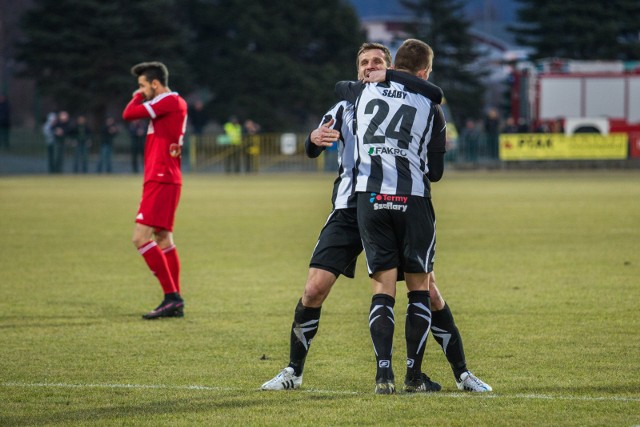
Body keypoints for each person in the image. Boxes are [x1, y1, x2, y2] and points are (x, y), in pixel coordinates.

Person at [262, 42, 488, 394]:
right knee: (314, 289)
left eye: (377, 61)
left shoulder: (399, 97)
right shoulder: (344, 105)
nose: (370, 66)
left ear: (389, 67)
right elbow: (312, 147)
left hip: (384, 202)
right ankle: (293, 371)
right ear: (358, 70)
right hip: (348, 209)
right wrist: (312, 139)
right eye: (365, 62)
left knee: (430, 292)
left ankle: (462, 373)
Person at [337, 39, 492, 394]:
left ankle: (383, 376)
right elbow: (435, 172)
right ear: (424, 72)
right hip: (413, 200)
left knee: (383, 288)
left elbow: (342, 88)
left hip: (371, 198)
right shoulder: (431, 106)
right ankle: (412, 376)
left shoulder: (363, 92)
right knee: (421, 289)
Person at [122, 61, 187, 320]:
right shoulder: (169, 103)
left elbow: (128, 113)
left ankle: (172, 297)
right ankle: (175, 300)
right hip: (162, 178)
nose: (139, 91)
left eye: (142, 85)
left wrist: (138, 95)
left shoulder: (169, 101)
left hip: (161, 178)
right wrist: (141, 91)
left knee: (140, 238)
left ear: (155, 84)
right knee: (163, 240)